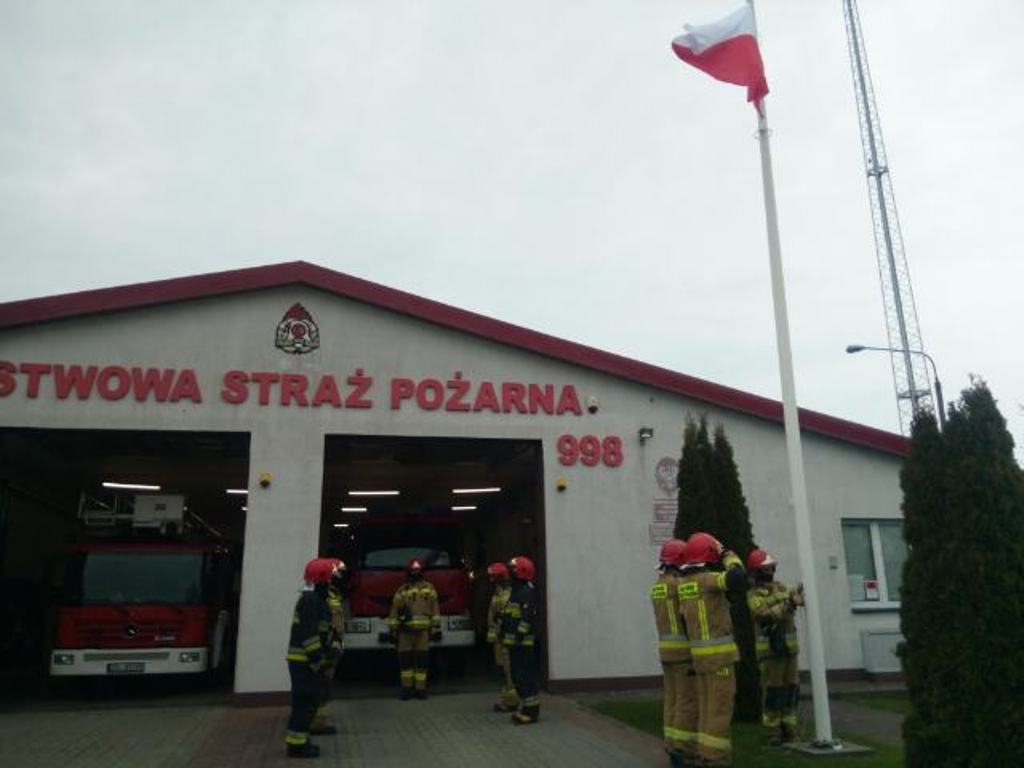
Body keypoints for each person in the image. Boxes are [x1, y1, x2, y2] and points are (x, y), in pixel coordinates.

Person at [676, 533, 746, 767]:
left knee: (707, 707)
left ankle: (704, 753)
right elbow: (737, 577)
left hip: (700, 659)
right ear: (708, 555)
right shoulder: (707, 580)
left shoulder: (684, 585)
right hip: (719, 659)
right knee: (720, 709)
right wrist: (727, 554)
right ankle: (715, 758)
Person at [746, 548, 804, 745]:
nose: (770, 570)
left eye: (771, 566)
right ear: (757, 571)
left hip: (789, 651)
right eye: (766, 567)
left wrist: (797, 597)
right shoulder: (753, 594)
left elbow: (797, 598)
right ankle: (774, 731)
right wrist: (788, 604)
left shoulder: (782, 587)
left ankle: (790, 728)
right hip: (770, 653)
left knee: (791, 690)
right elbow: (763, 614)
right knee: (773, 692)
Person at [651, 539, 697, 768]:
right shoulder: (679, 586)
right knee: (686, 701)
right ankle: (681, 749)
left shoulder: (657, 587)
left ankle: (670, 744)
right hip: (683, 654)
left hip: (666, 652)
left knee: (670, 699)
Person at [284, 557, 335, 759]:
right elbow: (309, 635)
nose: (330, 582)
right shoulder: (310, 601)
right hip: (304, 662)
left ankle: (301, 740)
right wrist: (317, 660)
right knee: (304, 703)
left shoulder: (314, 600)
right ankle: (296, 746)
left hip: (306, 662)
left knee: (309, 702)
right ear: (320, 579)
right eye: (328, 579)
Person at [387, 557, 440, 700]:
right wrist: (393, 631)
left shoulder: (429, 588)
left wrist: (435, 628)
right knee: (405, 664)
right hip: (405, 632)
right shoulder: (402, 590)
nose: (415, 572)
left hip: (423, 633)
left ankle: (420, 690)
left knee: (422, 663)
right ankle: (407, 689)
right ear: (408, 572)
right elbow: (394, 610)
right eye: (413, 570)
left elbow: (435, 609)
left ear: (422, 571)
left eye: (418, 570)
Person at [501, 555, 540, 725]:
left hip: (523, 644)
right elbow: (512, 615)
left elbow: (527, 617)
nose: (509, 573)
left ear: (521, 572)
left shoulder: (526, 592)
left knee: (524, 677)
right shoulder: (517, 591)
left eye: (513, 570)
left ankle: (531, 712)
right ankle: (526, 708)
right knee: (518, 677)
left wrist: (519, 634)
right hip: (515, 644)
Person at [310, 558, 347, 736]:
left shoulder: (333, 594)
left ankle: (318, 721)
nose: (340, 577)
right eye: (338, 573)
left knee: (325, 686)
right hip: (325, 647)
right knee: (321, 686)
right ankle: (315, 723)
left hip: (333, 646)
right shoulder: (320, 596)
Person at [486, 561, 518, 713]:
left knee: (509, 671)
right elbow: (492, 615)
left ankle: (511, 703)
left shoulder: (508, 595)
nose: (491, 580)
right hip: (498, 639)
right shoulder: (498, 593)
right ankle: (507, 701)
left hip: (505, 639)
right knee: (503, 672)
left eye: (493, 577)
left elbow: (506, 617)